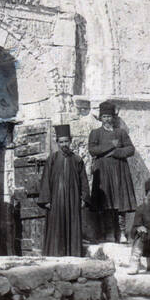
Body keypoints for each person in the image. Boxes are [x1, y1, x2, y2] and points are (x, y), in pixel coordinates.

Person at [87, 102, 136, 243]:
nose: (107, 119)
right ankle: (109, 232)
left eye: (109, 116)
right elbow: (93, 150)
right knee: (107, 202)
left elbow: (130, 149)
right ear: (101, 118)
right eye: (104, 116)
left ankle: (121, 232)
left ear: (113, 118)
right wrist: (111, 145)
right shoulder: (95, 133)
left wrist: (115, 152)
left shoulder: (120, 133)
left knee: (121, 203)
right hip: (103, 173)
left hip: (120, 171)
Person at [37, 124, 88, 257]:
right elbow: (45, 180)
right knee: (56, 227)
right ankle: (55, 255)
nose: (64, 144)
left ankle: (73, 254)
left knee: (73, 225)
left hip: (73, 199)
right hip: (56, 200)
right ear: (57, 143)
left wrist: (83, 198)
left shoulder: (77, 160)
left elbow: (84, 181)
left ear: (70, 141)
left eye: (66, 141)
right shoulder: (52, 159)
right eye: (61, 142)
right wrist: (46, 199)